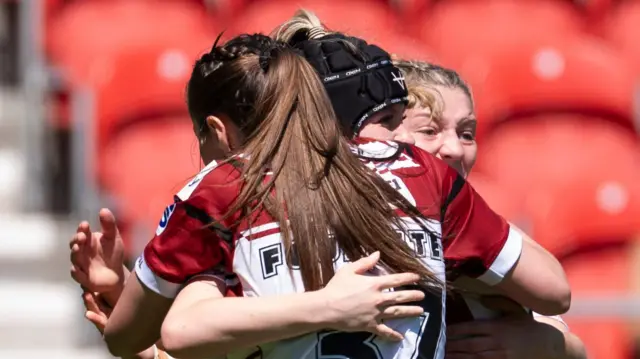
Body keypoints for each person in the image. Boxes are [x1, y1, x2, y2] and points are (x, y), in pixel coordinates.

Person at [71, 21, 569, 359]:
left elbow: (167, 334)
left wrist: (546, 344)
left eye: (466, 131)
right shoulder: (421, 181)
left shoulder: (223, 190)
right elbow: (178, 337)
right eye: (404, 125)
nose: (446, 150)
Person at [395, 59, 587, 359]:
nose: (455, 149)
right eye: (430, 130)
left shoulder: (479, 226)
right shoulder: (345, 224)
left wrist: (543, 343)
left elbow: (562, 317)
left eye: (466, 133)